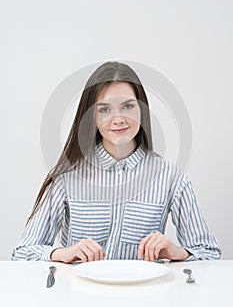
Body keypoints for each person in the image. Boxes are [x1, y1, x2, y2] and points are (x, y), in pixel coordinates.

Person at [12, 61, 221, 262]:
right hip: (79, 296)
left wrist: (178, 252)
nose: (118, 118)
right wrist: (62, 253)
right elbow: (22, 253)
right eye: (104, 109)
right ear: (91, 116)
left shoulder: (170, 177)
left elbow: (209, 253)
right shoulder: (67, 176)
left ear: (142, 109)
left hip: (146, 296)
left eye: (128, 106)